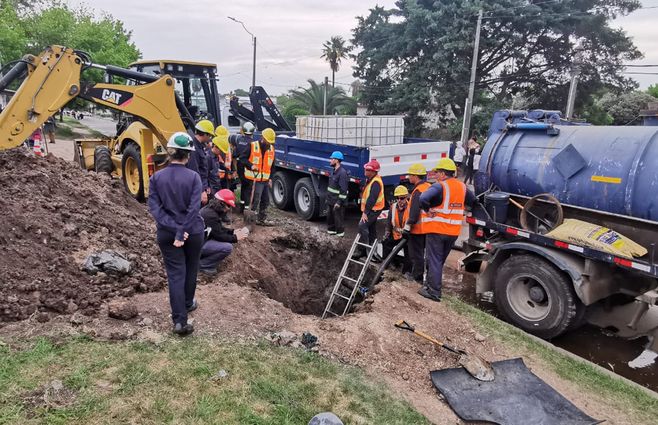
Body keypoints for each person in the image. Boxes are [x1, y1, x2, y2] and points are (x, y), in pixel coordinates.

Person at [148, 132, 205, 336]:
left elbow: (155, 209)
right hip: (193, 232)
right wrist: (182, 231)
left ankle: (179, 320)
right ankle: (188, 303)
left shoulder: (156, 177)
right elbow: (193, 208)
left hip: (167, 234)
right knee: (191, 270)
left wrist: (175, 229)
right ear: (188, 155)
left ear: (170, 152)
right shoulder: (193, 177)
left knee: (175, 275)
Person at [418, 158, 477, 302]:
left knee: (434, 260)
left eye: (437, 172)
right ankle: (430, 285)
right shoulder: (462, 187)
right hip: (452, 232)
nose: (436, 175)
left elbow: (422, 198)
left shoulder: (440, 187)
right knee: (439, 260)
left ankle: (434, 292)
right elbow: (473, 201)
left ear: (444, 174)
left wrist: (428, 209)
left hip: (437, 229)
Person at [199, 189, 248, 274]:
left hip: (201, 240)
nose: (228, 209)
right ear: (221, 203)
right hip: (197, 246)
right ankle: (203, 264)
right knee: (227, 247)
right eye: (228, 206)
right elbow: (219, 236)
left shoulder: (210, 210)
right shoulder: (211, 215)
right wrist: (235, 238)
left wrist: (232, 232)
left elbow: (218, 229)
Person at [401, 163, 432, 284]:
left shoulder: (418, 191)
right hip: (427, 228)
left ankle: (417, 278)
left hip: (417, 229)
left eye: (410, 175)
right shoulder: (428, 187)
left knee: (416, 254)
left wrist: (407, 227)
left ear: (415, 176)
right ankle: (424, 277)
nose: (408, 177)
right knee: (423, 254)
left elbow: (414, 212)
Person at [352, 159, 385, 261]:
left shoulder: (376, 182)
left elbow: (372, 199)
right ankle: (368, 251)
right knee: (371, 229)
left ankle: (367, 250)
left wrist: (365, 213)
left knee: (362, 225)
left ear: (373, 172)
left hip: (374, 210)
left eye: (368, 170)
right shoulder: (371, 180)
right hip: (372, 209)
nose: (365, 171)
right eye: (366, 169)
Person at [244, 127, 276, 225]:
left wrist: (270, 178)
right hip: (255, 179)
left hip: (265, 180)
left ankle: (262, 219)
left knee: (265, 200)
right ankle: (250, 221)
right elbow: (242, 158)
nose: (269, 143)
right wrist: (251, 165)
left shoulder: (271, 149)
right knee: (255, 200)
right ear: (263, 138)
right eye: (268, 141)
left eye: (271, 142)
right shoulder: (252, 145)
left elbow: (272, 165)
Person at [382, 185, 412, 274]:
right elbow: (389, 221)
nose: (399, 200)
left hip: (406, 236)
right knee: (386, 243)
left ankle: (406, 271)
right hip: (395, 234)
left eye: (402, 198)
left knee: (409, 251)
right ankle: (388, 264)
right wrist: (387, 232)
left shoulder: (410, 208)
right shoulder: (393, 207)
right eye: (397, 198)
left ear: (406, 197)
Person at [230, 121, 256, 212]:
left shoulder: (238, 140)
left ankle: (241, 207)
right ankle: (247, 208)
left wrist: (235, 170)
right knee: (248, 187)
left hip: (240, 166)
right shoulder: (253, 143)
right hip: (248, 167)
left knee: (243, 186)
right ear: (253, 131)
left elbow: (234, 156)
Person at [187, 119, 214, 205]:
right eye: (209, 135)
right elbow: (194, 171)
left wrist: (206, 186)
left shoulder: (200, 147)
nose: (210, 138)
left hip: (201, 185)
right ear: (205, 134)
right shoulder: (194, 149)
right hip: (196, 189)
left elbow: (203, 170)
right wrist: (201, 191)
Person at [326, 150, 349, 237]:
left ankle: (340, 239)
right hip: (331, 201)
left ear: (337, 160)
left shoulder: (342, 173)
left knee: (338, 221)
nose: (330, 160)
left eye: (331, 159)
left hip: (337, 203)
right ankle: (331, 236)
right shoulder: (334, 171)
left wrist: (339, 202)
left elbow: (343, 190)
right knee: (330, 219)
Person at [212, 125, 234, 190]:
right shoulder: (217, 147)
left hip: (224, 176)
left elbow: (231, 159)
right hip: (220, 176)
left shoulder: (225, 146)